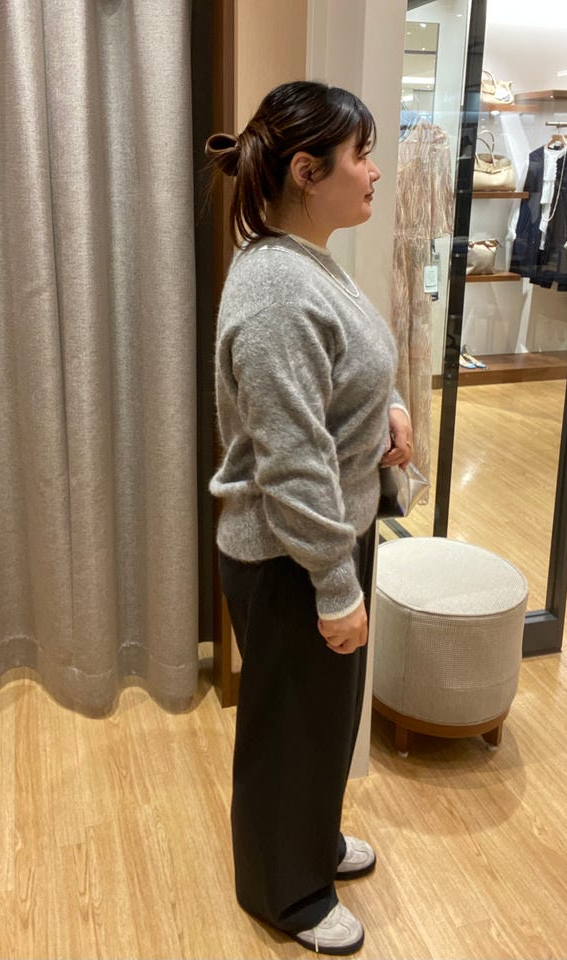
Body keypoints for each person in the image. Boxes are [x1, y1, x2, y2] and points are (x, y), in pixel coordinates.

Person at [205, 80, 413, 956]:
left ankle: (311, 844)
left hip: (325, 537)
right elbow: (290, 461)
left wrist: (389, 409)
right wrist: (334, 584)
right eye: (362, 155)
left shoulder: (307, 261)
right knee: (290, 729)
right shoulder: (277, 292)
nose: (374, 172)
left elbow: (346, 369)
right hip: (290, 555)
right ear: (306, 169)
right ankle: (282, 893)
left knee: (323, 721)